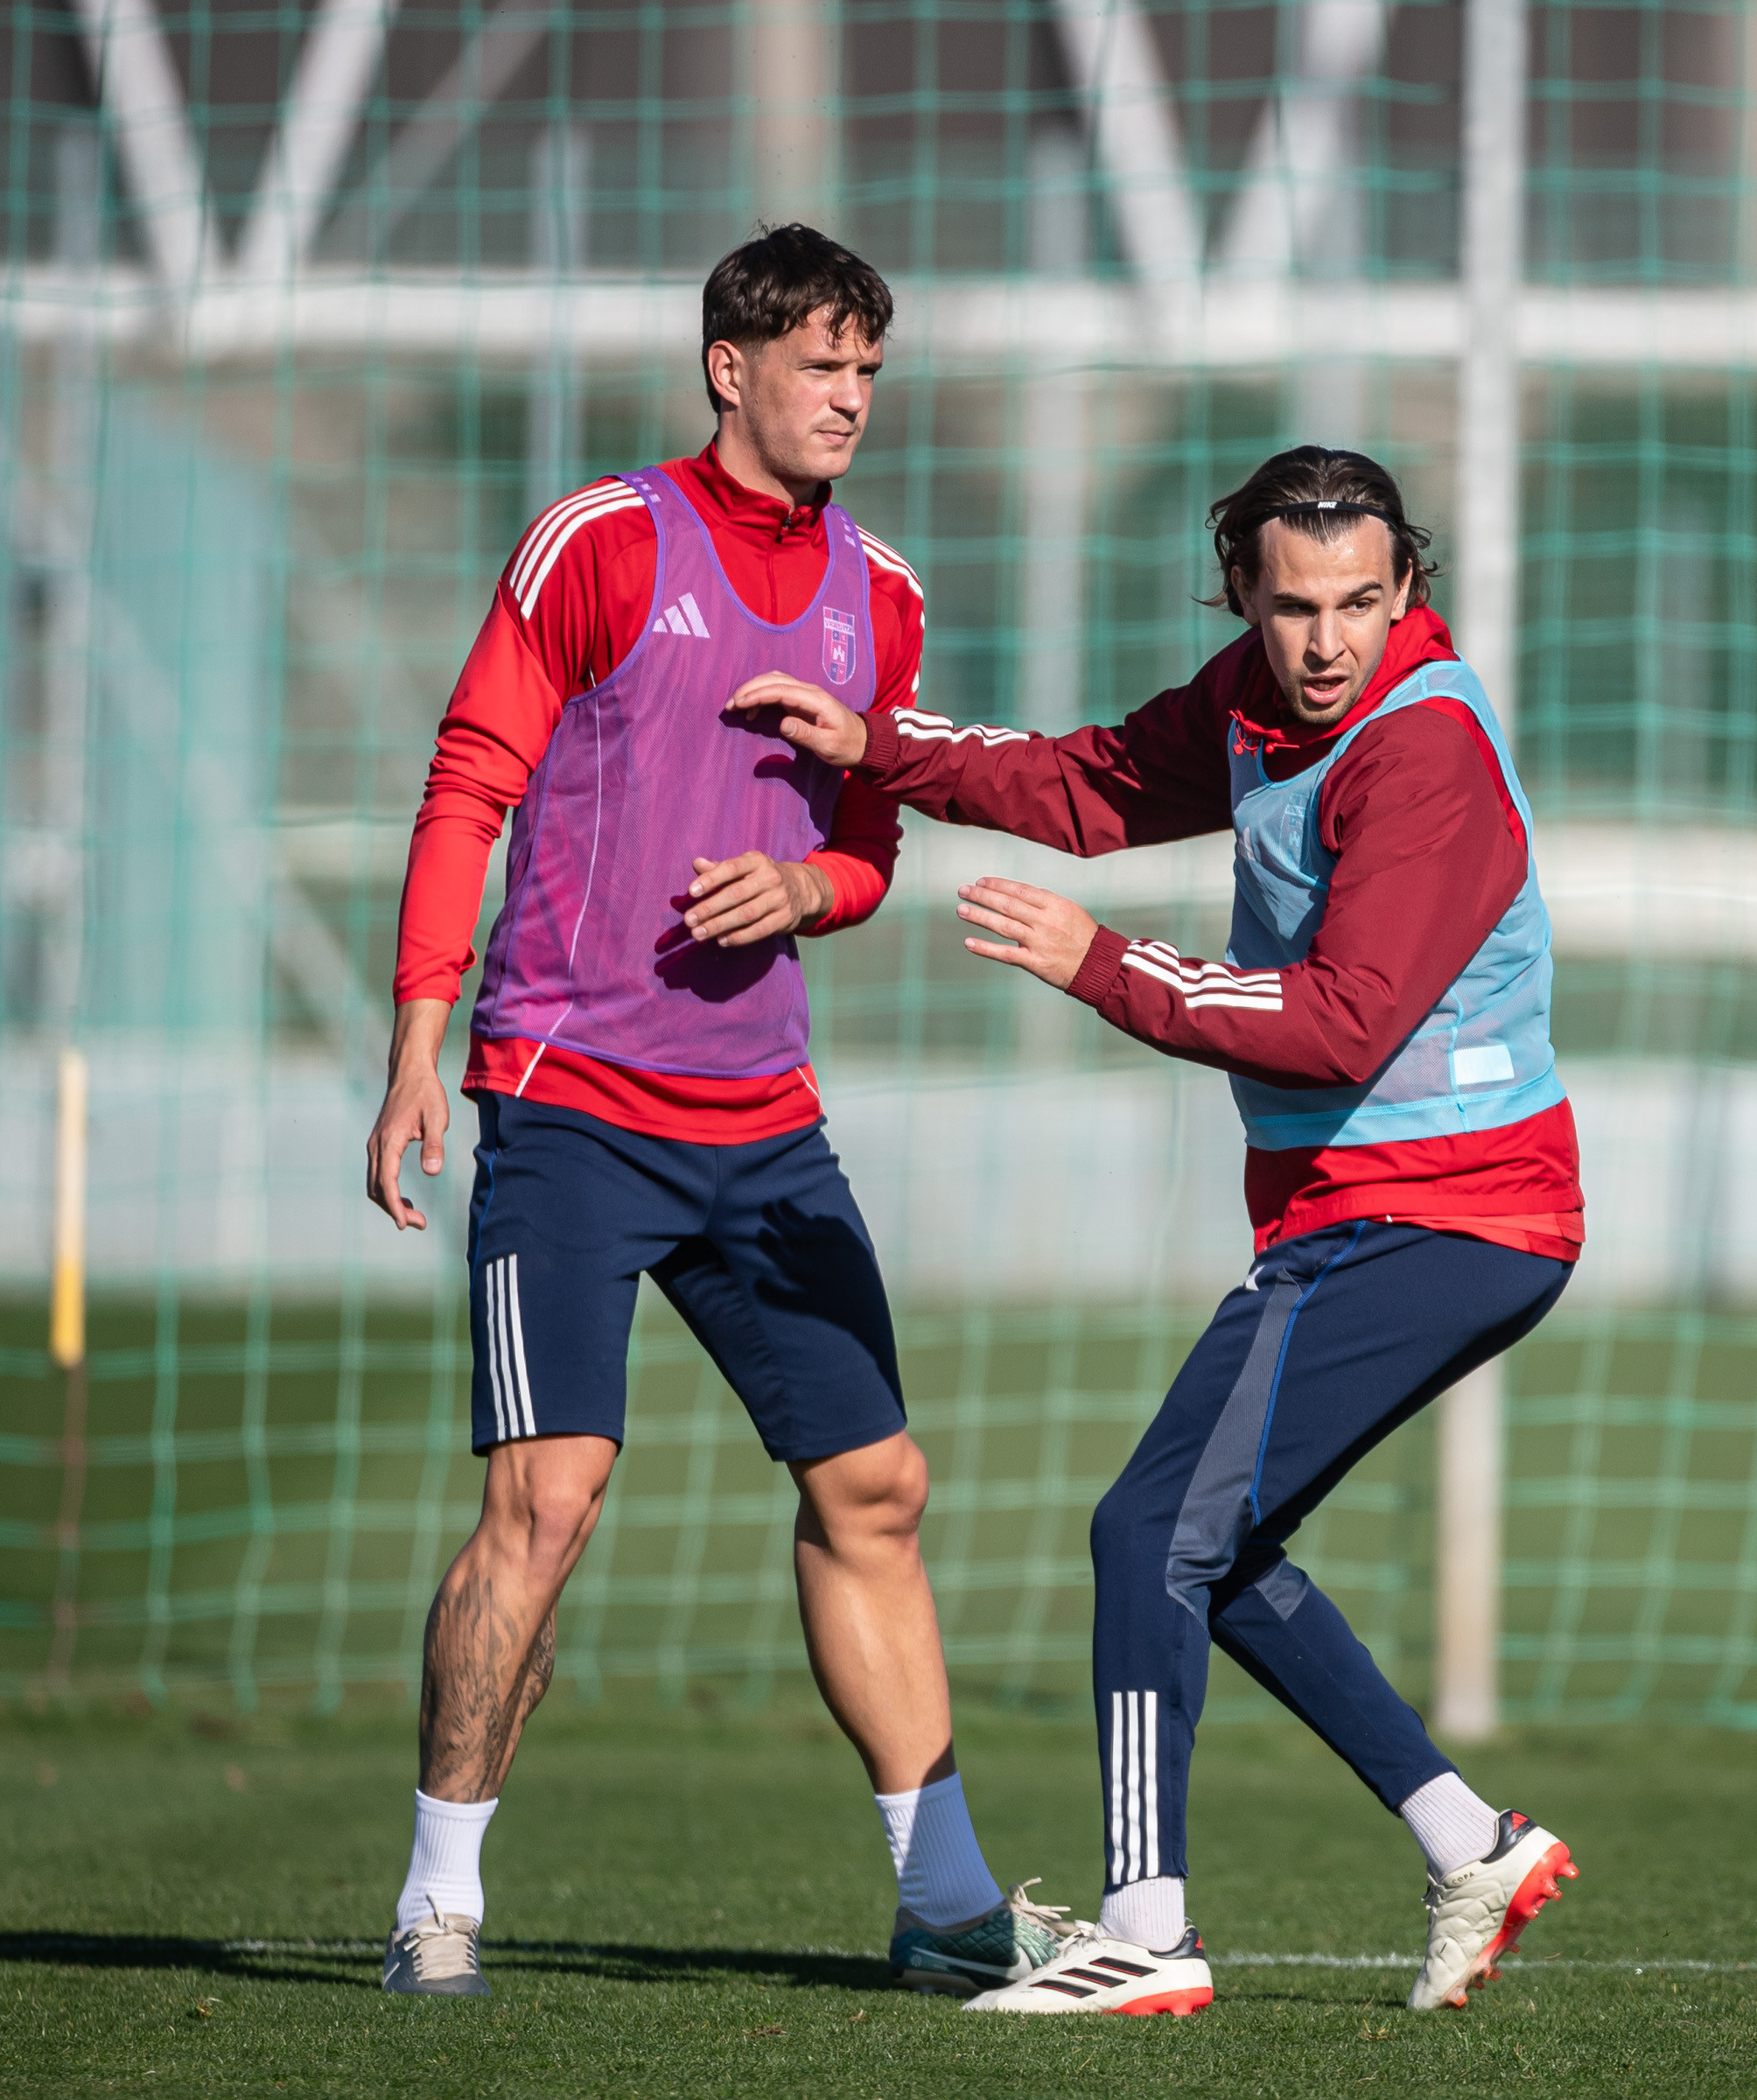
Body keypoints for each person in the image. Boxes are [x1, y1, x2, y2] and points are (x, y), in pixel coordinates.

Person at [730, 446, 1585, 2017]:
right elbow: (1093, 784)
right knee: (1220, 1550)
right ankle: (1473, 1843)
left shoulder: (1427, 753)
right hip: (1368, 1211)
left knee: (1145, 1534)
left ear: (1409, 588)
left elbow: (1337, 1025)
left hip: (1450, 1212)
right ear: (1242, 592)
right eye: (1295, 605)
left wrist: (1100, 961)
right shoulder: (1259, 703)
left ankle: (1146, 1931)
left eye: (1362, 602)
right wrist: (882, 744)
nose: (1327, 639)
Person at [361, 225, 1060, 2000]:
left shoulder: (883, 590)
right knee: (551, 1500)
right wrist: (417, 1046)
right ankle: (439, 1901)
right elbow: (470, 781)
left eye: (870, 369)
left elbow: (872, 837)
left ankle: (944, 1903)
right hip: (568, 1103)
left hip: (762, 1124)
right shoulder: (600, 542)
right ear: (728, 369)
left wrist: (809, 889)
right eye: (822, 364)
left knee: (876, 1483)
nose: (852, 397)